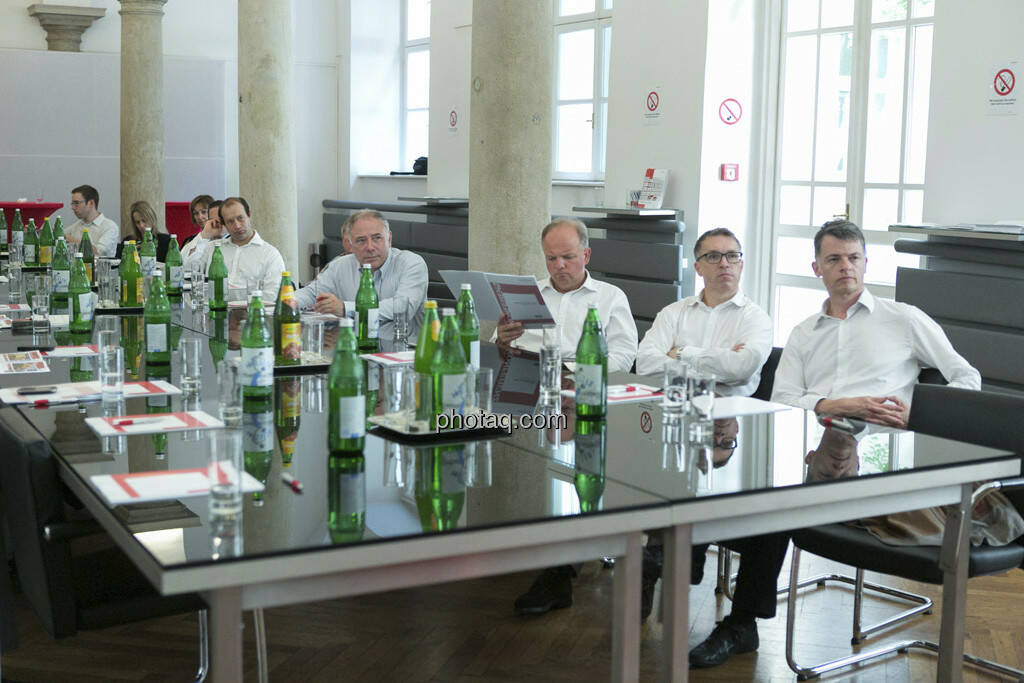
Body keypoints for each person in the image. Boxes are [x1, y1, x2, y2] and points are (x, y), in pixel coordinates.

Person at [686, 219, 982, 670]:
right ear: (817, 268)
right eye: (834, 259)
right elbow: (782, 400)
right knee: (733, 482)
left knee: (772, 499)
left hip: (881, 459)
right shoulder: (804, 332)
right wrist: (839, 402)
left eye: (854, 257)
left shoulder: (904, 320)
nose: (846, 267)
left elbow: (967, 378)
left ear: (866, 262)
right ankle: (692, 575)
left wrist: (917, 410)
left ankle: (739, 618)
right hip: (808, 449)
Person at [636, 227, 772, 394]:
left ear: (741, 265)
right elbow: (645, 364)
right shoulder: (673, 312)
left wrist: (682, 353)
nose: (724, 264)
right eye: (713, 257)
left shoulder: (756, 318)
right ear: (698, 267)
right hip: (675, 409)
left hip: (730, 413)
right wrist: (721, 365)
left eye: (732, 256)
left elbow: (741, 369)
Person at [496, 219, 638, 373]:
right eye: (551, 258)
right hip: (524, 377)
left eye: (568, 257)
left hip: (584, 381)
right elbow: (495, 347)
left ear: (586, 255)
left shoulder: (610, 297)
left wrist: (575, 371)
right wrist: (501, 340)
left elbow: (623, 357)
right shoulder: (525, 293)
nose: (559, 265)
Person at [295, 209, 428, 338]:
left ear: (389, 239)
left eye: (377, 238)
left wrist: (345, 308)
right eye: (361, 240)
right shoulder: (340, 266)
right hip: (358, 347)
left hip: (405, 351)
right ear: (350, 245)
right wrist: (286, 300)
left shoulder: (411, 263)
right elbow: (311, 293)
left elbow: (401, 308)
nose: (370, 247)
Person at [190, 197, 286, 303]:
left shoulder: (270, 254)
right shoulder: (212, 248)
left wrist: (237, 301)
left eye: (240, 218)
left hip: (250, 315)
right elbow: (185, 268)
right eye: (230, 221)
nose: (237, 225)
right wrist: (204, 236)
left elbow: (272, 297)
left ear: (249, 215)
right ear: (223, 224)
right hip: (213, 312)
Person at [66, 184, 119, 258]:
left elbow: (99, 252)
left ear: (91, 203)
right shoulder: (75, 226)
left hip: (101, 269)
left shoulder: (110, 226)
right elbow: (61, 235)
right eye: (72, 203)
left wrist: (72, 241)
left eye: (76, 203)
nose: (73, 207)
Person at [182, 199, 224, 270]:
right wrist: (204, 236)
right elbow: (185, 267)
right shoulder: (193, 239)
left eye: (204, 212)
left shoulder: (232, 241)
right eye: (196, 213)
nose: (200, 217)